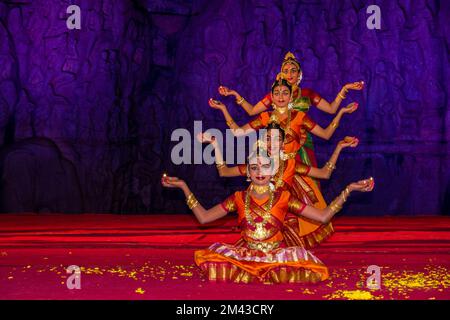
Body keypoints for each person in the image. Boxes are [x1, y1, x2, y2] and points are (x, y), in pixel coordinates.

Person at [161, 150, 374, 284]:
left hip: (276, 259)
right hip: (245, 258)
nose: (259, 171)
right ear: (248, 173)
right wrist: (183, 187)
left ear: (272, 171)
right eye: (254, 167)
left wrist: (348, 190)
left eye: (265, 166)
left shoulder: (284, 198)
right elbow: (205, 218)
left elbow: (323, 216)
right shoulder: (238, 197)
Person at [217, 51, 364, 169]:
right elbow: (246, 120)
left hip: (301, 144)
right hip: (274, 149)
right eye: (286, 71)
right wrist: (233, 98)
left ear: (299, 74)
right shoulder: (267, 114)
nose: (290, 74)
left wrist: (344, 93)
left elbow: (331, 112)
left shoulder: (305, 99)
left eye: (293, 71)